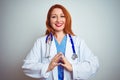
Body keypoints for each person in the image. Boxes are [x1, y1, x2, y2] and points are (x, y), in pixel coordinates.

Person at [22, 4, 99, 80]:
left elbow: (94, 64)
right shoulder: (41, 42)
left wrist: (73, 68)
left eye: (62, 16)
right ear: (49, 21)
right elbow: (27, 66)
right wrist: (48, 67)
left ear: (67, 19)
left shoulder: (78, 42)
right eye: (54, 17)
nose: (58, 20)